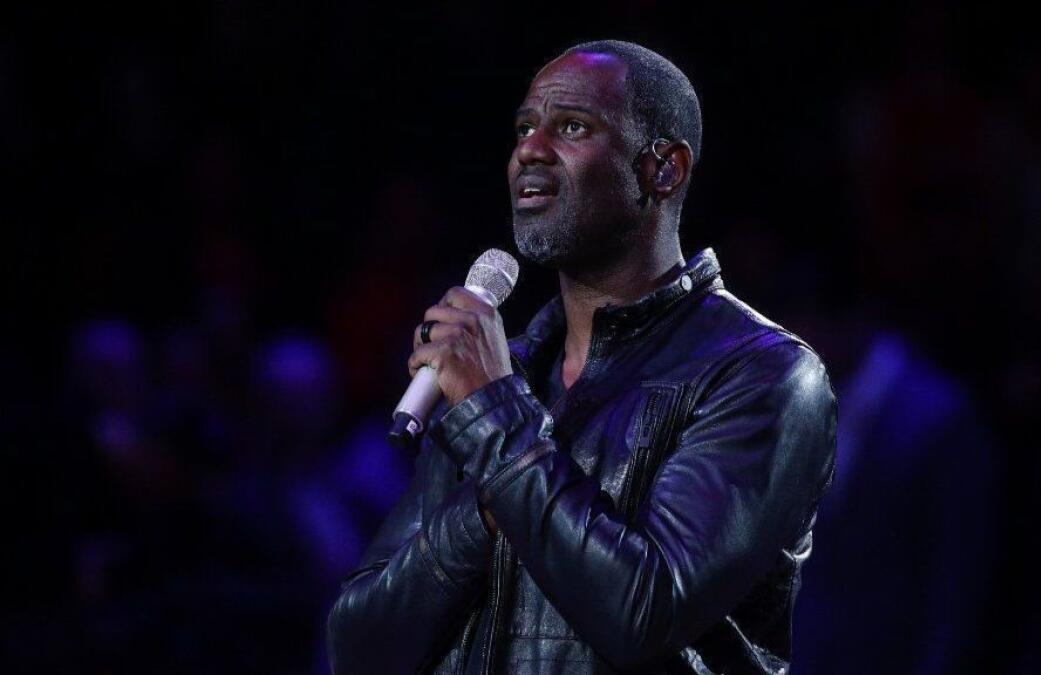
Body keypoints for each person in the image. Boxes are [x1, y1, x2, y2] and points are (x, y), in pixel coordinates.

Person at [326, 40, 838, 674]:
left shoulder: (763, 375)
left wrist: (497, 426)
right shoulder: (498, 374)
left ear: (663, 169)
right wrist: (485, 498)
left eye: (571, 126)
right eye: (523, 127)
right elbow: (358, 650)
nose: (529, 150)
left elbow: (645, 613)